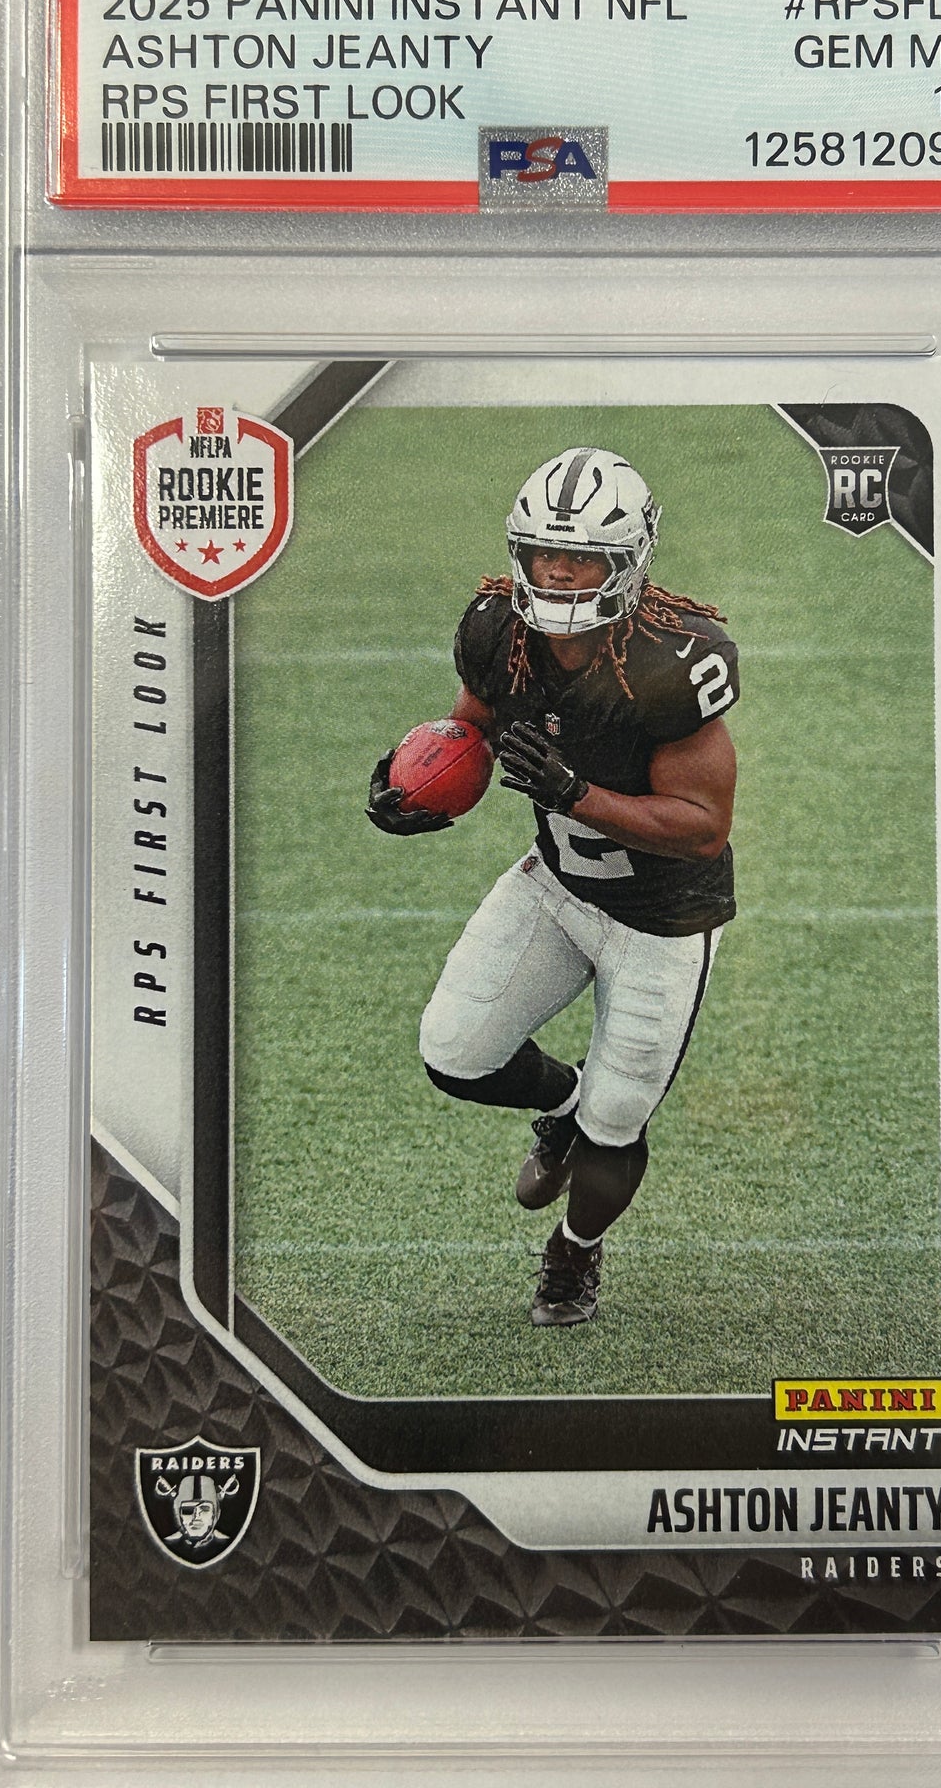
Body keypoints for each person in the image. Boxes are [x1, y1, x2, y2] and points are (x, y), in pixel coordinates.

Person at [366, 448, 740, 1326]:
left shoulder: (673, 663)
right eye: (545, 553)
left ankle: (574, 1251)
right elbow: (469, 728)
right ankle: (561, 1105)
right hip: (558, 887)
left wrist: (577, 794)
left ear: (628, 562)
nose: (560, 572)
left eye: (583, 557)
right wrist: (417, 784)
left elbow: (703, 825)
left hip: (662, 919)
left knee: (621, 1117)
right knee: (455, 1052)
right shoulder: (497, 629)